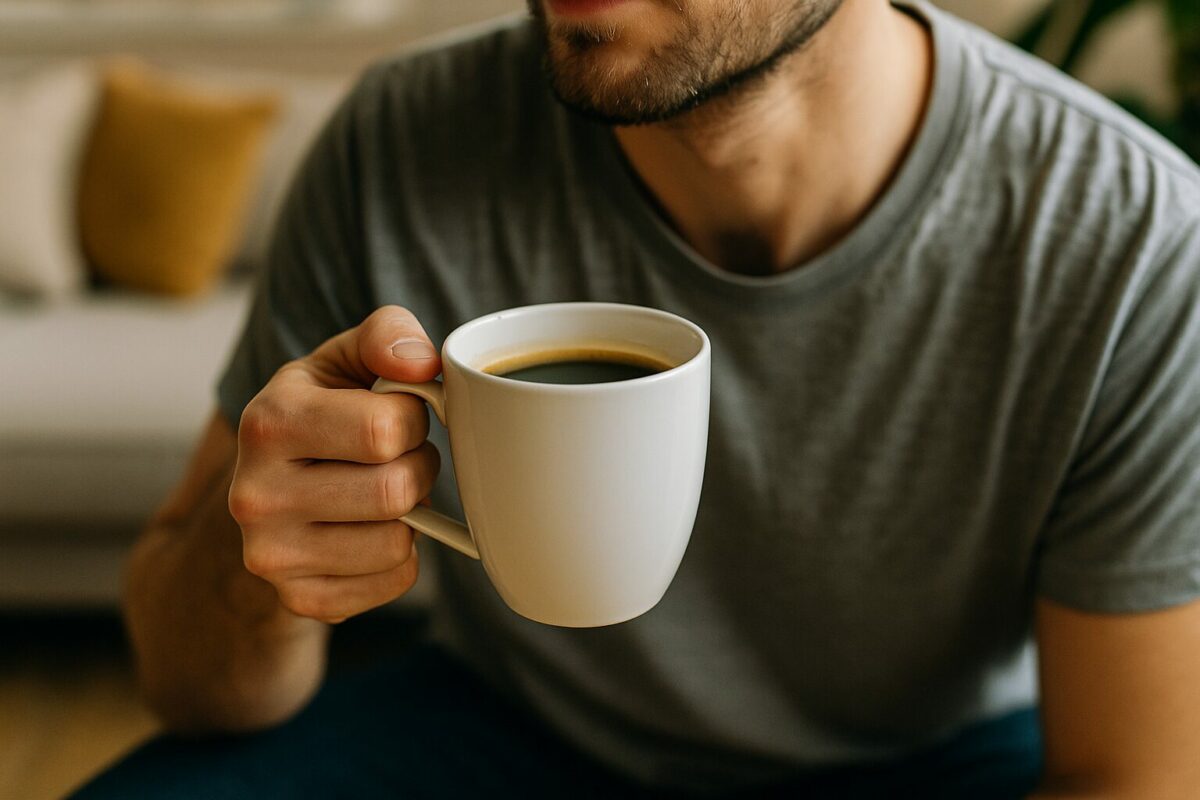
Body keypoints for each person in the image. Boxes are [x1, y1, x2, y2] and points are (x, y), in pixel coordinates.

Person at [77, 0, 1200, 797]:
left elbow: (1133, 774)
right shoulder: (399, 141)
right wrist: (262, 567)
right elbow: (190, 686)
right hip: (509, 729)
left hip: (930, 760)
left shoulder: (1130, 240)